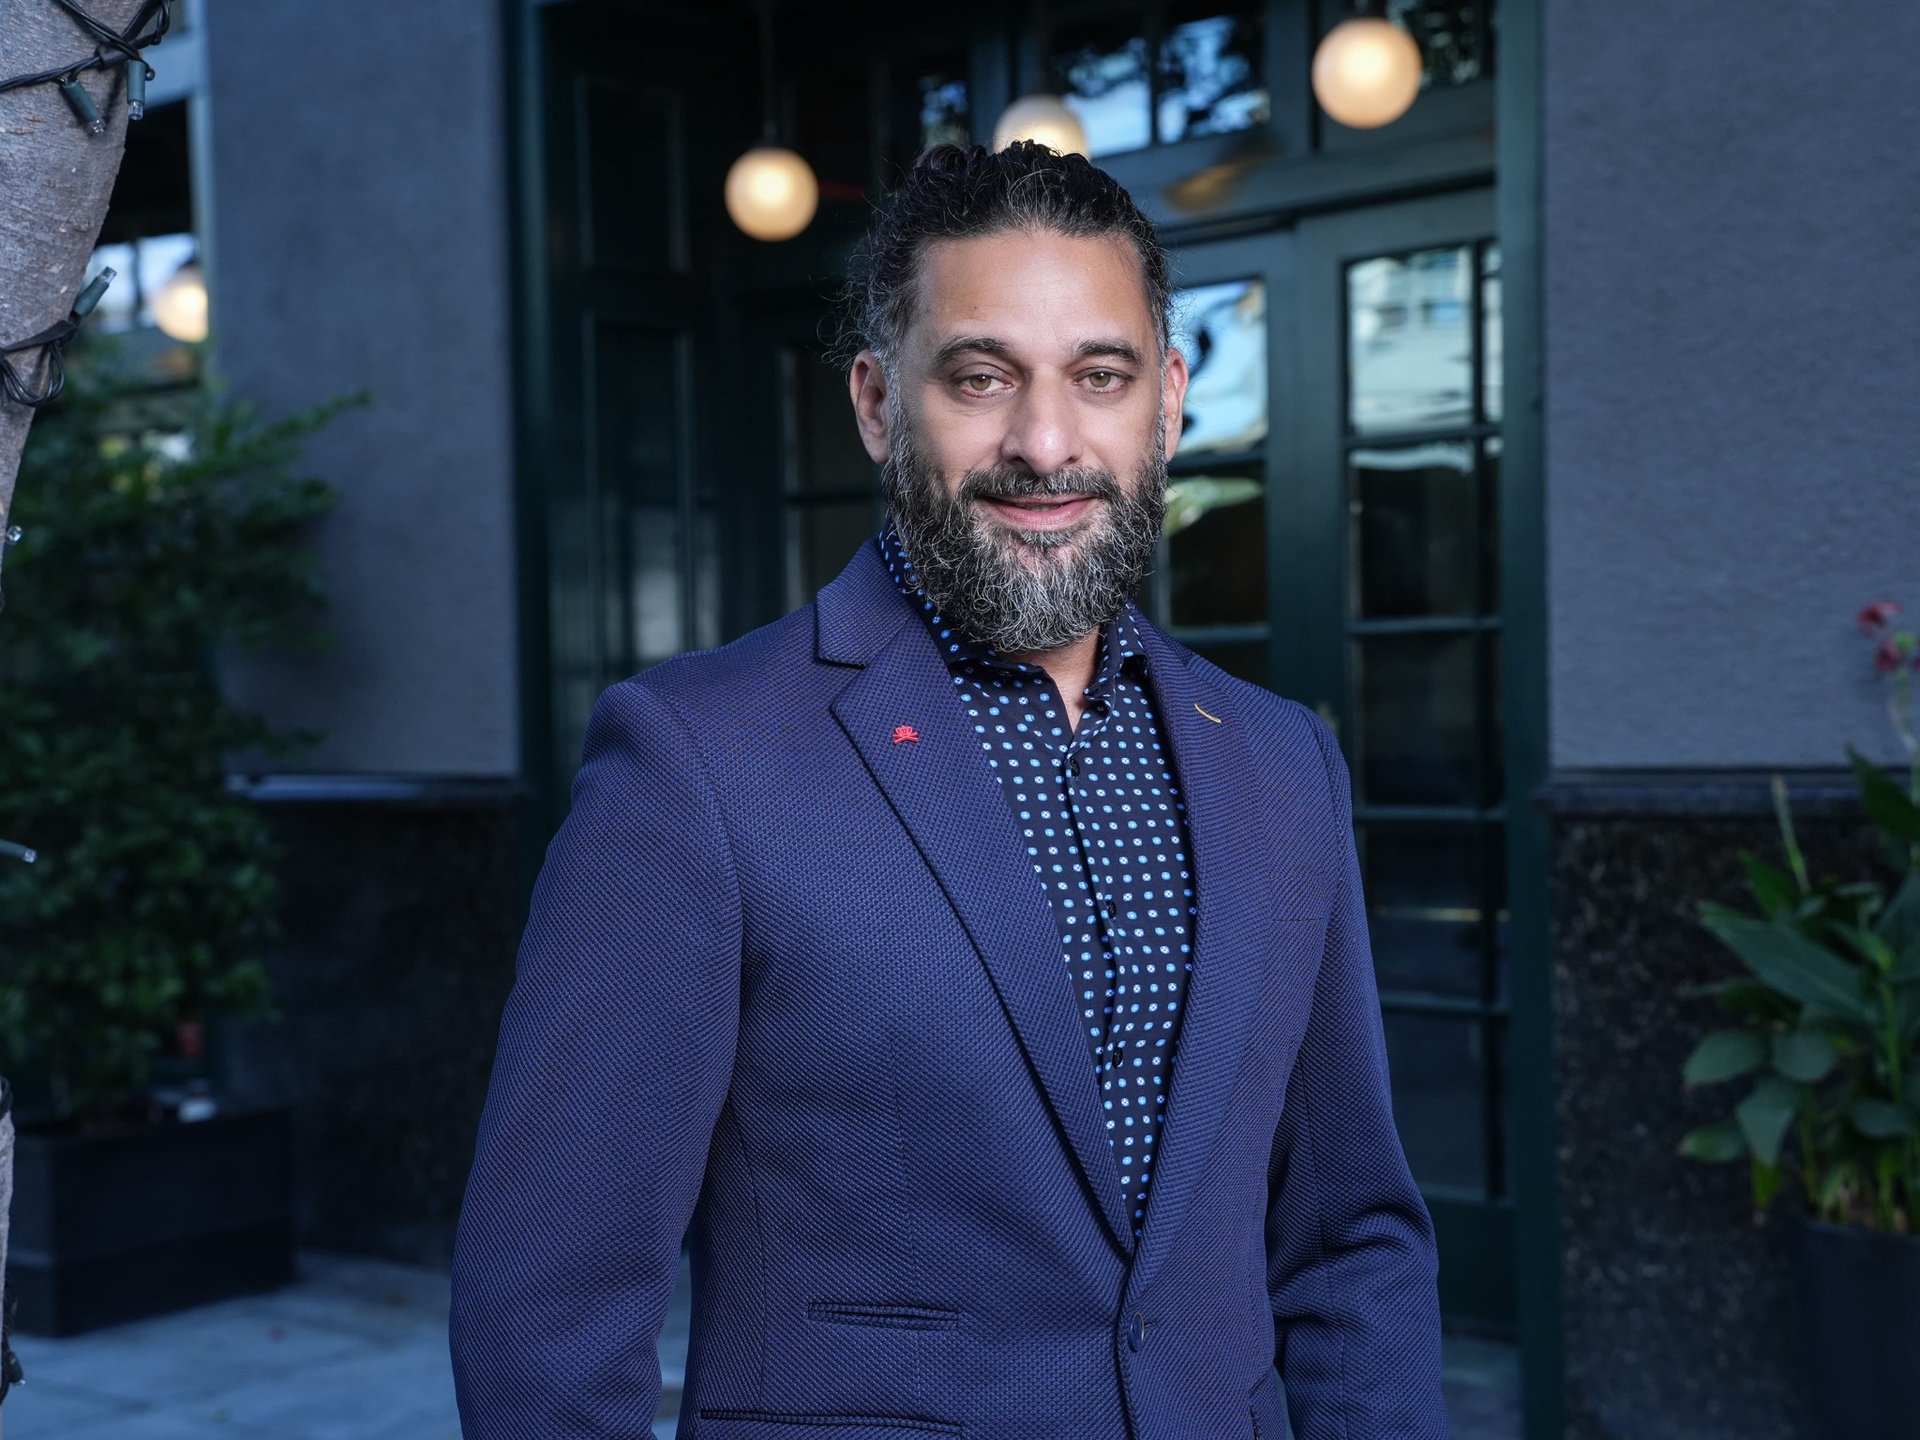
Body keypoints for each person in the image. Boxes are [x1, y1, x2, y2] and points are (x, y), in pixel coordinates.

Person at [450, 141, 1446, 1440]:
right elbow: (550, 1294)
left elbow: (1351, 1236)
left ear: (1169, 403)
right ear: (877, 403)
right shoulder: (693, 761)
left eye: (1101, 377)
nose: (1045, 443)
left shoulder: (1278, 761)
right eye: (980, 378)